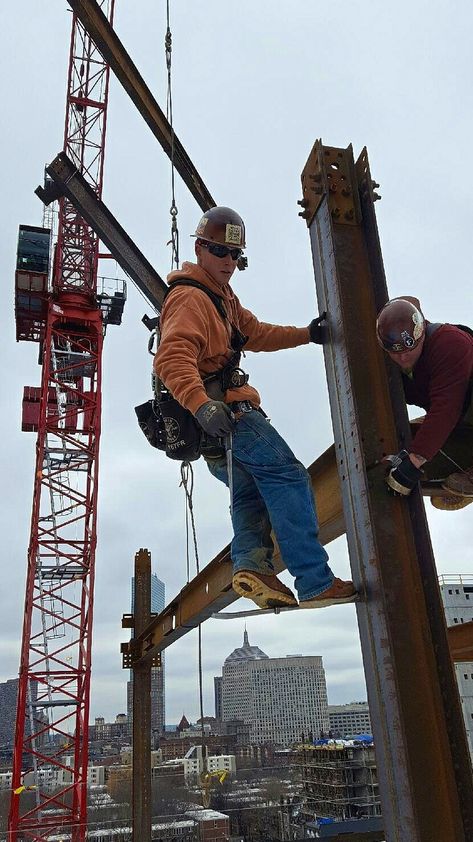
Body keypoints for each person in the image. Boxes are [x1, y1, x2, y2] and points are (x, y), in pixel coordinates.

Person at [154, 206, 356, 610]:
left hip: (213, 428)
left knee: (250, 494)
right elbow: (171, 359)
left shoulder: (222, 298)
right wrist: (201, 406)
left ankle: (250, 566)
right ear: (199, 248)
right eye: (219, 252)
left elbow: (256, 333)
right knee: (288, 476)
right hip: (228, 415)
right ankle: (315, 580)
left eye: (236, 256)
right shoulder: (192, 298)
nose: (228, 262)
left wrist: (307, 334)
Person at [376, 296, 473, 498]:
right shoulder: (394, 366)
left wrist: (414, 460)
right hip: (464, 430)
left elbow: (446, 407)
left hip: (458, 409)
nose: (403, 357)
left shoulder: (450, 343)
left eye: (410, 349)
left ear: (421, 335)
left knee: (417, 456)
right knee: (406, 459)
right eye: (396, 352)